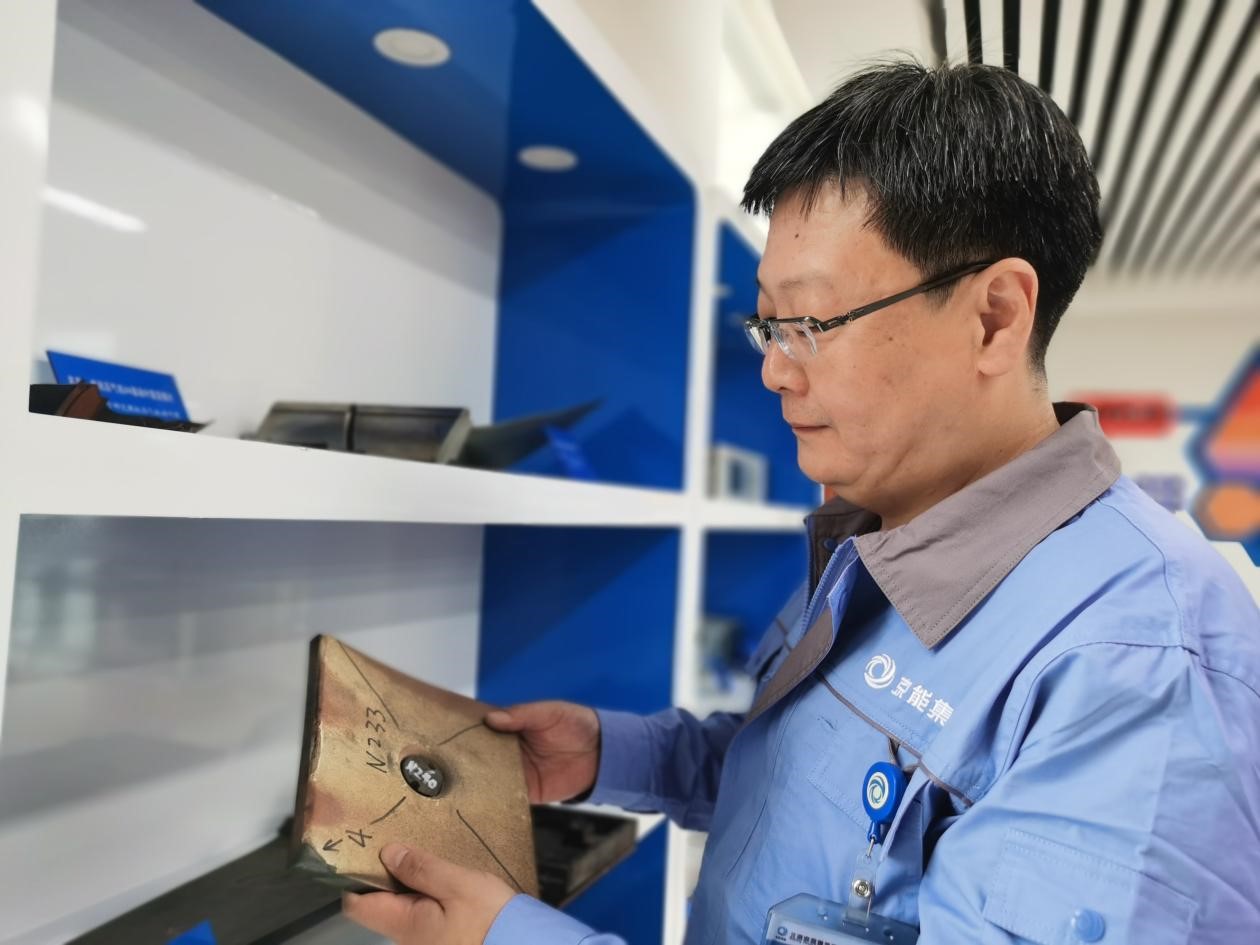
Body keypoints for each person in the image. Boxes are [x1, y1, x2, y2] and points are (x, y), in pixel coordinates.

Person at [342, 60, 1260, 945]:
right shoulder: (882, 526)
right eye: (768, 325)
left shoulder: (1142, 668)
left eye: (812, 323)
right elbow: (806, 782)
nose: (775, 370)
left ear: (994, 317)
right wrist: (610, 753)